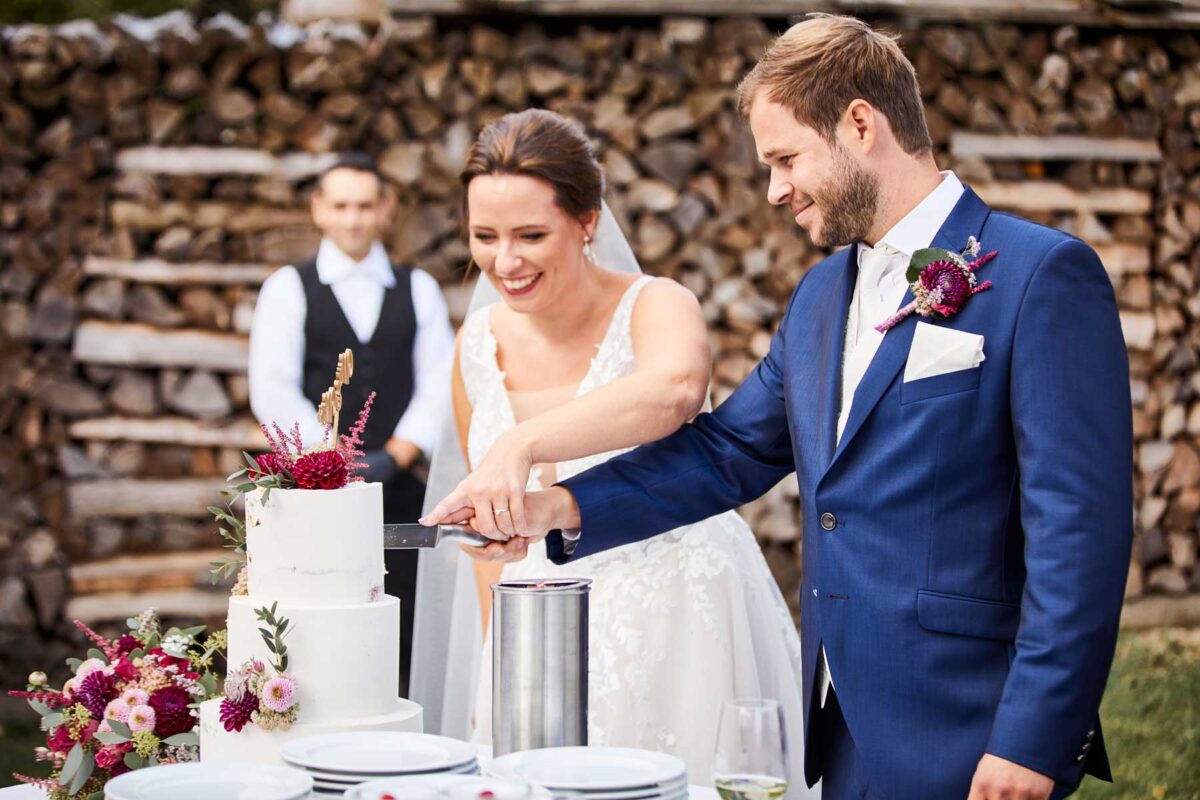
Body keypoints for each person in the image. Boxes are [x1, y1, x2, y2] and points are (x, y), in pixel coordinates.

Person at [452, 16, 1133, 800]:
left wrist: (1033, 741)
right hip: (841, 730)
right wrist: (553, 506)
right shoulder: (818, 297)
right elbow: (727, 452)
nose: (775, 189)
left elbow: (1079, 531)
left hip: (974, 732)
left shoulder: (1040, 277)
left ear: (860, 124)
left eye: (785, 159)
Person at [415, 108, 815, 793]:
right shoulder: (475, 345)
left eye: (530, 235)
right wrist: (494, 658)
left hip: (679, 623)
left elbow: (675, 391)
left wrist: (521, 442)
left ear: (588, 220)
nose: (504, 261)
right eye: (485, 236)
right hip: (535, 635)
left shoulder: (657, 304)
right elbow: (485, 537)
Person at [248, 152, 455, 695]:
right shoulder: (288, 287)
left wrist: (401, 450)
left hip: (405, 484)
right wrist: (329, 459)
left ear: (386, 209)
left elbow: (439, 381)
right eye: (341, 205)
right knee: (316, 616)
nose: (354, 218)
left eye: (365, 205)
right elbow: (271, 388)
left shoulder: (419, 288)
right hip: (311, 491)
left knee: (406, 613)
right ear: (319, 208)